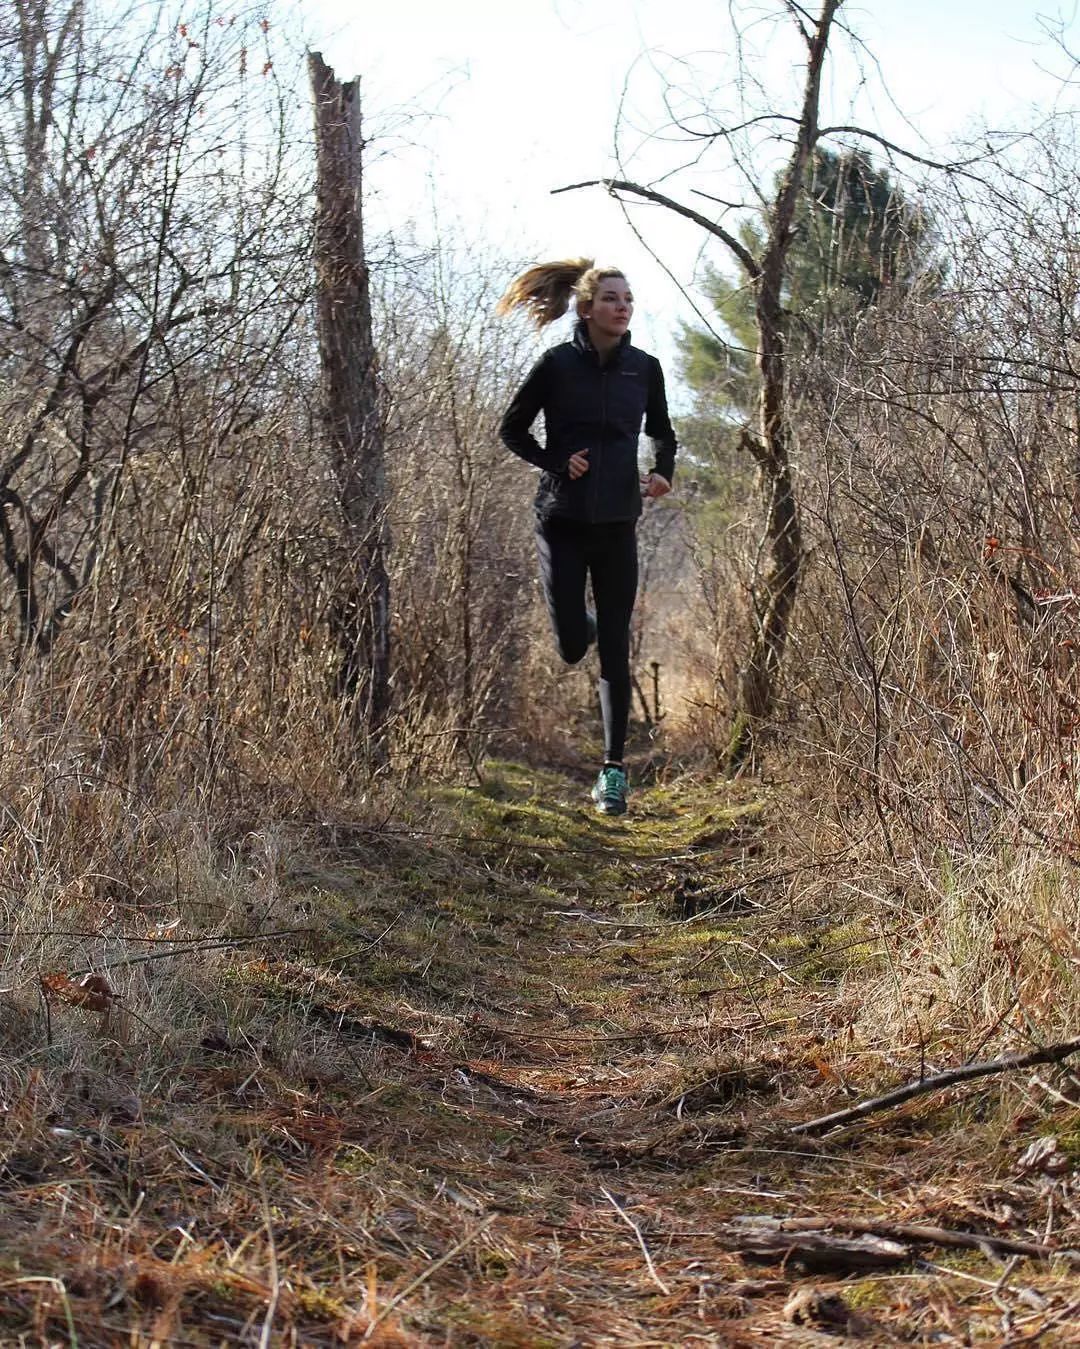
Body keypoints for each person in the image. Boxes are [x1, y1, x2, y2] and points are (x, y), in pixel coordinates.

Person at [496, 258, 677, 816]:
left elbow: (664, 433)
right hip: (562, 520)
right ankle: (588, 627)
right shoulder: (555, 366)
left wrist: (663, 471)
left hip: (619, 522)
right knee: (576, 641)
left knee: (616, 644)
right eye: (611, 299)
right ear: (586, 307)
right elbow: (511, 430)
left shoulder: (643, 370)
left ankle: (613, 771)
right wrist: (554, 462)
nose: (623, 307)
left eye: (628, 299)